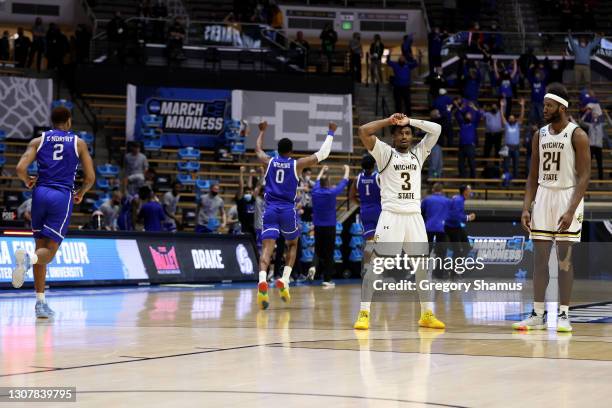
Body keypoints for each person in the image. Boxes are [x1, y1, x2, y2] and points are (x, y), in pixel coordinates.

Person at [353, 113, 445, 331]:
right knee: (376, 266)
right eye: (400, 133)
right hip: (391, 216)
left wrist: (410, 121)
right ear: (393, 138)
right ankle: (364, 313)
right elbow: (363, 131)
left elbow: (437, 129)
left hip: (414, 217)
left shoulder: (419, 153)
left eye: (407, 133)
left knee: (423, 268)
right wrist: (389, 121)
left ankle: (427, 314)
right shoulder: (385, 154)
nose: (404, 136)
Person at [514, 83, 591, 333]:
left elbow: (584, 177)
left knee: (564, 262)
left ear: (562, 106)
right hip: (544, 196)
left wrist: (571, 209)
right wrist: (526, 207)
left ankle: (564, 314)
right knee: (539, 261)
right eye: (545, 105)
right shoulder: (540, 135)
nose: (544, 109)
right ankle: (537, 313)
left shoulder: (577, 134)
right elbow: (532, 176)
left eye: (549, 105)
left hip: (567, 196)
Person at [12, 106, 95, 318]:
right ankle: (27, 259)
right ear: (68, 121)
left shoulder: (38, 141)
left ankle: (40, 303)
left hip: (39, 195)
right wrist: (82, 192)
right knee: (48, 252)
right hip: (61, 195)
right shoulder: (78, 143)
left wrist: (27, 181)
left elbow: (20, 168)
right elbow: (90, 178)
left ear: (51, 121)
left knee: (40, 247)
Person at [254, 120, 337, 309]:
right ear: (290, 151)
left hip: (270, 210)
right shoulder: (296, 164)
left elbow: (257, 151)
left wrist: (262, 132)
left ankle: (261, 281)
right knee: (292, 244)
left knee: (267, 249)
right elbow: (322, 154)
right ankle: (284, 279)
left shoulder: (269, 162)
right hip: (287, 211)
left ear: (277, 150)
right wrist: (331, 132)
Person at [312, 165, 350, 287]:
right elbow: (344, 182)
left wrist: (323, 170)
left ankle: (313, 268)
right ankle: (327, 280)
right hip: (329, 227)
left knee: (318, 250)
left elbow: (317, 179)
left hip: (317, 226)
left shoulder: (315, 191)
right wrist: (347, 169)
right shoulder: (332, 192)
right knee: (329, 253)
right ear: (328, 183)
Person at [421, 183, 451, 276]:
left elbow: (421, 213)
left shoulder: (427, 199)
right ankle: (438, 273)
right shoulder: (448, 201)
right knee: (441, 252)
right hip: (442, 228)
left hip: (428, 227)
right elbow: (450, 214)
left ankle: (422, 272)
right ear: (442, 191)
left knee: (425, 251)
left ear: (433, 190)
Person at [350, 155, 381, 242]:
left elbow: (351, 197)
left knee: (370, 242)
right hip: (378, 210)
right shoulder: (378, 178)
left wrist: (360, 204)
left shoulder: (358, 178)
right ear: (374, 165)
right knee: (380, 240)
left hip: (365, 211)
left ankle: (370, 255)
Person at [445, 185, 476, 262]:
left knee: (466, 247)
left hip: (456, 226)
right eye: (469, 190)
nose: (471, 192)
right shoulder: (458, 200)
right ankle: (453, 271)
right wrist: (468, 217)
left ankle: (455, 267)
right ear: (465, 191)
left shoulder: (459, 199)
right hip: (451, 228)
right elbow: (454, 215)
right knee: (458, 250)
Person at [454, 100, 481, 178]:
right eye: (467, 115)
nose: (468, 115)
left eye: (470, 115)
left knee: (471, 163)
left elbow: (479, 115)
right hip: (462, 146)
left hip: (470, 146)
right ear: (465, 116)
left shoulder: (473, 124)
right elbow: (457, 114)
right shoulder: (462, 123)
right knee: (460, 163)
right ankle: (462, 177)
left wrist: (474, 107)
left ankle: (473, 178)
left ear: (471, 117)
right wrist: (461, 107)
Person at [500, 97, 526, 178]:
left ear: (514, 119)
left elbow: (522, 116)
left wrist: (522, 106)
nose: (511, 119)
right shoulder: (507, 125)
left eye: (512, 118)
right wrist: (501, 107)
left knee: (516, 164)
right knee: (506, 165)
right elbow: (502, 117)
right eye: (509, 118)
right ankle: (506, 179)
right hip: (507, 147)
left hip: (516, 147)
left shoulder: (517, 125)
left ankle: (515, 179)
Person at [579, 109, 605, 180]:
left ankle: (601, 179)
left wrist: (604, 114)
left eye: (596, 115)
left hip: (599, 147)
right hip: (591, 147)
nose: (595, 116)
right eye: (593, 115)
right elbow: (581, 122)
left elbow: (608, 122)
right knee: (588, 164)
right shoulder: (590, 125)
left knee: (600, 163)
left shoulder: (601, 125)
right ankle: (587, 178)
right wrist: (586, 114)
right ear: (592, 117)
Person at [237, 166, 257, 237]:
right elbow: (241, 187)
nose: (248, 194)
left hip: (253, 227)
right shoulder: (241, 200)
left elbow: (251, 187)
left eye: (249, 193)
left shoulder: (253, 199)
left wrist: (251, 175)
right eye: (246, 193)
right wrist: (241, 173)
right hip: (243, 228)